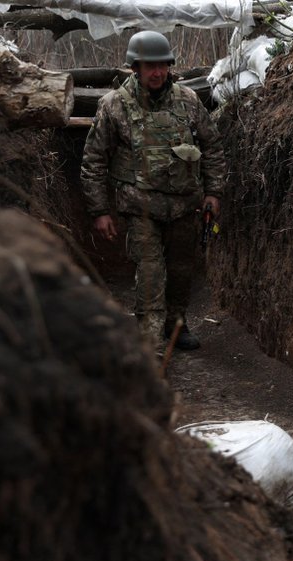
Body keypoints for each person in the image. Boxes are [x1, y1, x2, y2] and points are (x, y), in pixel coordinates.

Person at [81, 30, 226, 350]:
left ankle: (176, 325)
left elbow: (212, 146)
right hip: (140, 206)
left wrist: (213, 192)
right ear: (135, 68)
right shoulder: (114, 105)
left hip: (184, 205)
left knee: (180, 269)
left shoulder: (188, 101)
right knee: (149, 269)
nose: (157, 72)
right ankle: (149, 332)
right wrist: (100, 211)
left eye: (162, 65)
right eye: (150, 66)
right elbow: (93, 160)